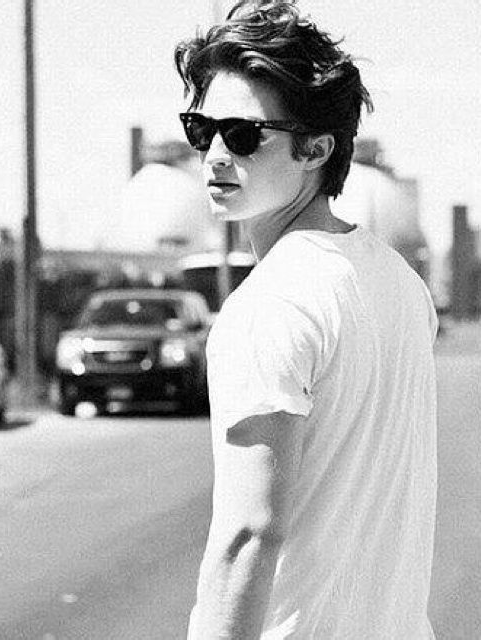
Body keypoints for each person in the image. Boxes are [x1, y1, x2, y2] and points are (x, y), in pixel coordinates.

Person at [174, 1, 438, 637]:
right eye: (201, 129)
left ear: (316, 148)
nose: (215, 155)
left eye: (244, 135)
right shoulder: (401, 284)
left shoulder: (270, 305)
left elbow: (247, 535)